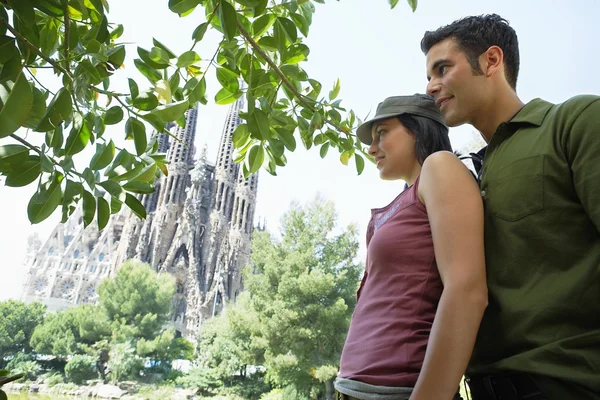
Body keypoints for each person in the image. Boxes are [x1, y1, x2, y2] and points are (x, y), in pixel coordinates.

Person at [421, 14, 600, 400]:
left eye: (442, 68)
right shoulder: (464, 177)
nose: (431, 86)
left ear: (490, 61)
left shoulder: (574, 121)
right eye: (428, 75)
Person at [334, 94, 488, 400]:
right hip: (352, 387)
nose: (371, 148)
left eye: (382, 133)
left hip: (397, 390)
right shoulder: (402, 200)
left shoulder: (440, 167)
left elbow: (467, 290)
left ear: (416, 130)